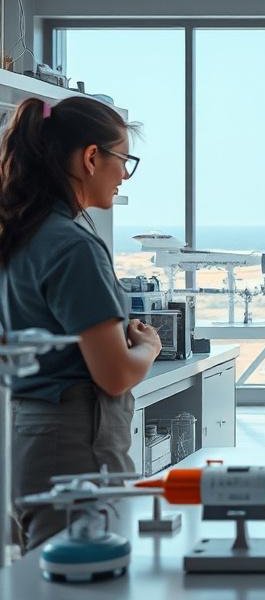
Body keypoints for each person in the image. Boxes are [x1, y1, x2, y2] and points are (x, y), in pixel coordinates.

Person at [0, 96, 163, 551]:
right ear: (92, 158)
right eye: (123, 160)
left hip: (30, 436)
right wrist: (148, 346)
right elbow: (113, 375)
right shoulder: (73, 246)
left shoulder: (21, 232)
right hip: (75, 445)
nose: (124, 176)